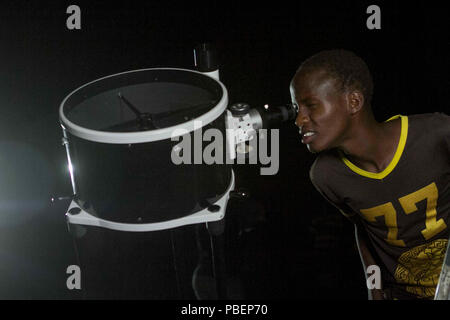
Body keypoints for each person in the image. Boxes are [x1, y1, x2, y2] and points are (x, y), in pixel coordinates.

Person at [289, 49, 450, 300]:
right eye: (296, 108)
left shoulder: (437, 134)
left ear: (354, 102)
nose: (299, 119)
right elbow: (364, 228)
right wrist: (374, 287)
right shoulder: (326, 175)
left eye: (310, 106)